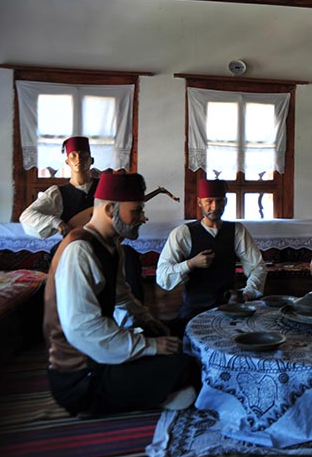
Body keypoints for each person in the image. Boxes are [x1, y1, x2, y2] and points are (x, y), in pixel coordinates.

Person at [43, 172, 199, 416]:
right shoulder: (79, 250)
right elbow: (83, 328)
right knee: (185, 365)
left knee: (180, 329)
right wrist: (150, 346)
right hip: (82, 375)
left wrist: (147, 321)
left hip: (101, 357)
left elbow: (122, 296)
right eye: (136, 211)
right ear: (109, 209)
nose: (143, 218)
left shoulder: (111, 245)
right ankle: (153, 394)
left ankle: (157, 390)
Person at [20, 136, 146, 302]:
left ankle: (135, 309)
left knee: (128, 255)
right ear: (67, 162)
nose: (78, 159)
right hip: (73, 245)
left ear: (91, 160)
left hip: (105, 244)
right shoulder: (58, 193)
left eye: (84, 155)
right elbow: (27, 216)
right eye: (73, 155)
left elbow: (123, 211)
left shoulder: (105, 187)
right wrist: (55, 222)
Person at [156, 179, 267, 330]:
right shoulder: (183, 233)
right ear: (199, 202)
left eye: (219, 201)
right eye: (209, 201)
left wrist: (247, 293)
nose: (214, 207)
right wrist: (190, 264)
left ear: (225, 202)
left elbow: (258, 267)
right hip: (195, 310)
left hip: (229, 309)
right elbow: (162, 276)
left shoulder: (236, 230)